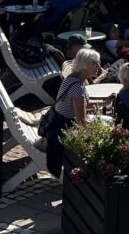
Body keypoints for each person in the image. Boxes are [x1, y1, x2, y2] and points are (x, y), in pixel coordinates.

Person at [44, 48, 105, 176]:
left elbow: (80, 105)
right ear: (86, 64)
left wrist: (103, 103)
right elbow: (81, 122)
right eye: (96, 63)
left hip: (56, 123)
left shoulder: (72, 79)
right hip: (64, 131)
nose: (98, 67)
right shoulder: (78, 88)